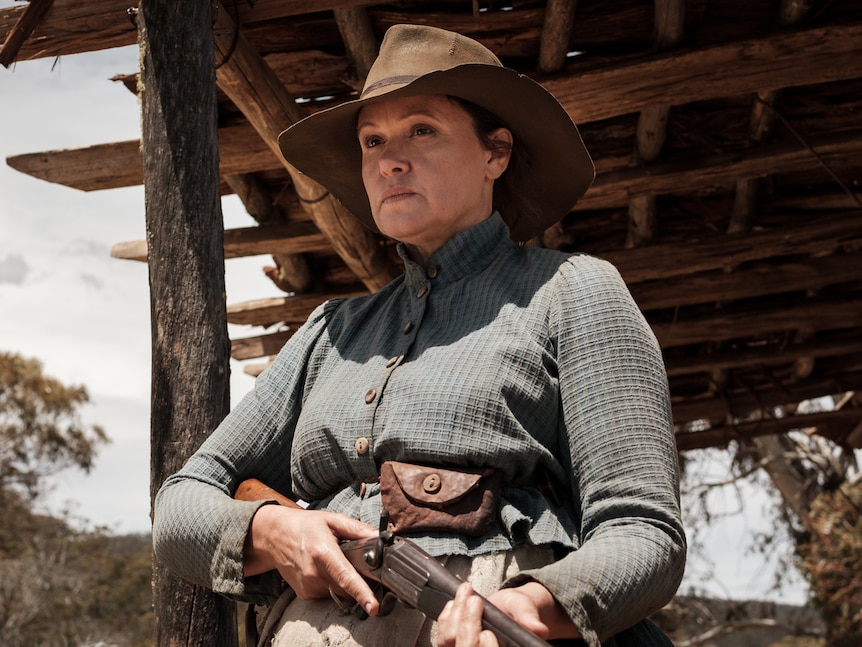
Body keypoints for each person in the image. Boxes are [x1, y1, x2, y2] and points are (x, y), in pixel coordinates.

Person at [153, 23, 686, 647]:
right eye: (372, 139)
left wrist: (523, 612)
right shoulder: (330, 330)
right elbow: (181, 503)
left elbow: (643, 533)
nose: (388, 158)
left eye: (421, 129)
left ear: (497, 153)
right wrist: (273, 531)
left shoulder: (574, 291)